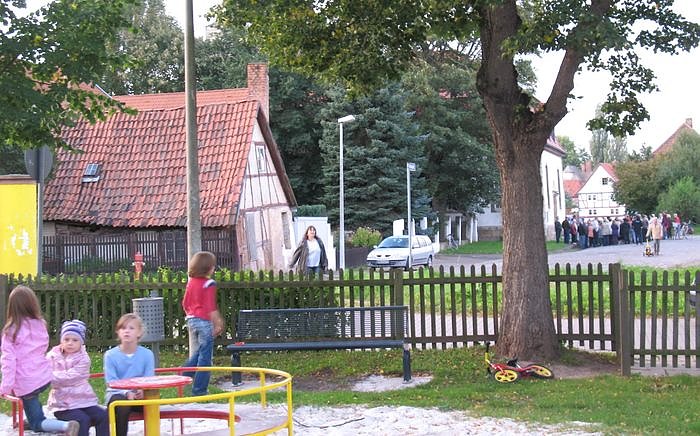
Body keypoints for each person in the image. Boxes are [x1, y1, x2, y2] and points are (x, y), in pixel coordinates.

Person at [0, 285, 80, 436]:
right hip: (43, 376)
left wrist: (5, 387)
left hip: (27, 382)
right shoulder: (40, 324)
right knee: (32, 403)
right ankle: (32, 418)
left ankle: (66, 426)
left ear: (12, 307)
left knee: (37, 422)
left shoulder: (10, 331)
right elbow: (42, 347)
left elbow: (8, 362)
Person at [47, 320, 109, 436]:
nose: (70, 343)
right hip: (62, 405)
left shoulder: (84, 359)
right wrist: (52, 377)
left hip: (83, 400)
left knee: (103, 416)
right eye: (66, 339)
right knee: (82, 420)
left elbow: (72, 377)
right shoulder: (52, 356)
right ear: (61, 341)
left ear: (81, 342)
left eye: (75, 340)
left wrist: (53, 377)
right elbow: (45, 374)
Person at [104, 313, 155, 436]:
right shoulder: (110, 355)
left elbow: (149, 378)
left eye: (131, 328)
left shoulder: (147, 354)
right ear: (118, 332)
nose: (126, 331)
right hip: (117, 394)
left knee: (153, 404)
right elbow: (111, 382)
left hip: (139, 395)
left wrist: (143, 390)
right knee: (123, 405)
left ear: (139, 332)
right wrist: (127, 393)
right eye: (123, 328)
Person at [182, 251, 224, 396]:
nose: (214, 268)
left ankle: (183, 375)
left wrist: (191, 315)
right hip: (204, 321)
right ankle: (199, 390)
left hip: (192, 319)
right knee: (205, 358)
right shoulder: (209, 284)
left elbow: (185, 303)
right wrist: (218, 323)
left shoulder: (191, 282)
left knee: (201, 351)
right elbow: (210, 307)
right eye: (213, 266)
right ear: (208, 268)